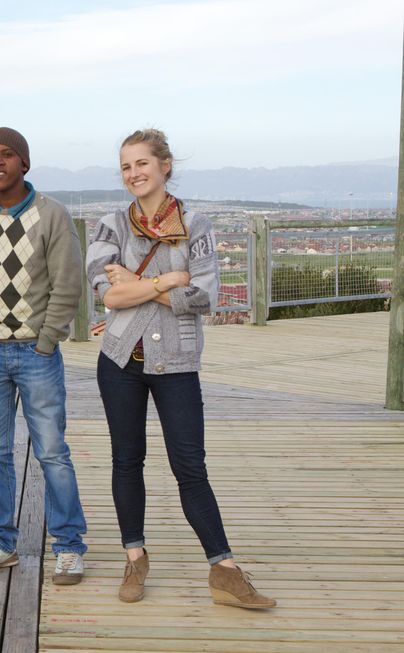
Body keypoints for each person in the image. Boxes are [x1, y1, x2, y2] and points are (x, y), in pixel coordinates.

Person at [86, 128, 275, 609]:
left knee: (190, 466)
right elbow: (105, 294)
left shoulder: (198, 222)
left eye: (142, 164)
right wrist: (168, 279)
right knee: (127, 461)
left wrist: (139, 283)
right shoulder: (109, 224)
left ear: (164, 165)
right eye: (126, 166)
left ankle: (224, 570)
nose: (133, 174)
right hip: (120, 359)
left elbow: (204, 296)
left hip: (179, 360)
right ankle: (135, 557)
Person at [0, 128, 89, 585]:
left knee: (51, 452)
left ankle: (67, 545)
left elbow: (69, 283)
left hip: (36, 353)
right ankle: (0, 541)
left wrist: (46, 341)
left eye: (8, 154)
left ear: (25, 163)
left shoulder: (51, 216)